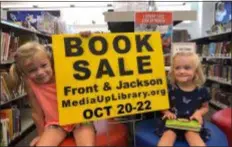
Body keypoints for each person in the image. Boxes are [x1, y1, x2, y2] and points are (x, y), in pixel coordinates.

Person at [9, 32, 95, 146]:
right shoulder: (30, 84)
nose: (40, 72)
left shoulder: (62, 71)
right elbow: (36, 113)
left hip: (80, 119)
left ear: (50, 61)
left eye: (44, 65)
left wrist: (84, 40)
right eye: (32, 70)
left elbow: (85, 62)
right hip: (55, 124)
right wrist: (41, 135)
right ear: (24, 73)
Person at [155, 51, 211, 146]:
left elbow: (205, 107)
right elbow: (161, 104)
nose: (181, 71)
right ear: (173, 70)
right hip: (172, 122)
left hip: (191, 122)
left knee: (194, 137)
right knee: (167, 137)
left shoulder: (202, 90)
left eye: (187, 68)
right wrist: (166, 112)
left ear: (196, 71)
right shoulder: (169, 88)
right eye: (177, 68)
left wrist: (199, 113)